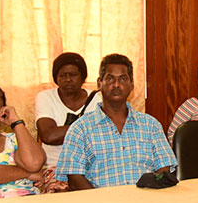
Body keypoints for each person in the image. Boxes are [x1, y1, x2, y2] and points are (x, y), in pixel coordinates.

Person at [56, 54, 177, 190]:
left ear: (132, 85)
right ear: (99, 83)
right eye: (110, 78)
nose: (116, 85)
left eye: (123, 79)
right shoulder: (80, 129)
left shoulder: (151, 125)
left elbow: (164, 167)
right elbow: (74, 178)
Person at [35, 52, 101, 190]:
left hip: (92, 167)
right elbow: (49, 136)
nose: (68, 80)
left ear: (83, 77)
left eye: (73, 75)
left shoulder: (98, 99)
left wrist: (64, 131)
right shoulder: (45, 97)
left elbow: (103, 135)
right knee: (61, 195)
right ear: (56, 78)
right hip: (56, 167)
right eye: (63, 76)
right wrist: (89, 128)